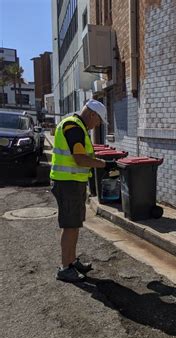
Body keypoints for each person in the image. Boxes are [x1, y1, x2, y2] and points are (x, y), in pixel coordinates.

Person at [51, 99, 116, 283]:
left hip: (73, 182)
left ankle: (71, 262)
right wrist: (105, 164)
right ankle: (65, 268)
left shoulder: (78, 126)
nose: (98, 125)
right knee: (70, 225)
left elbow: (83, 155)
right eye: (99, 121)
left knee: (75, 224)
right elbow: (80, 158)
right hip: (67, 183)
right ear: (92, 114)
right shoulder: (73, 127)